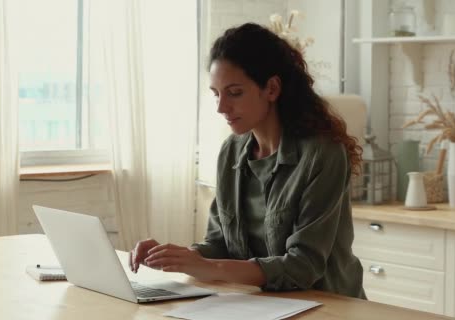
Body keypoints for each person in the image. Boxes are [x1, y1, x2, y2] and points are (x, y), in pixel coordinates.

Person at [128, 22, 366, 299]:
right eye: (216, 94)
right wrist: (173, 257)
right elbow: (219, 245)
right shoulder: (231, 152)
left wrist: (208, 266)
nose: (220, 107)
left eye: (234, 93)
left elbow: (303, 266)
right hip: (261, 304)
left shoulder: (323, 154)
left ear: (272, 89)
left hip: (329, 305)